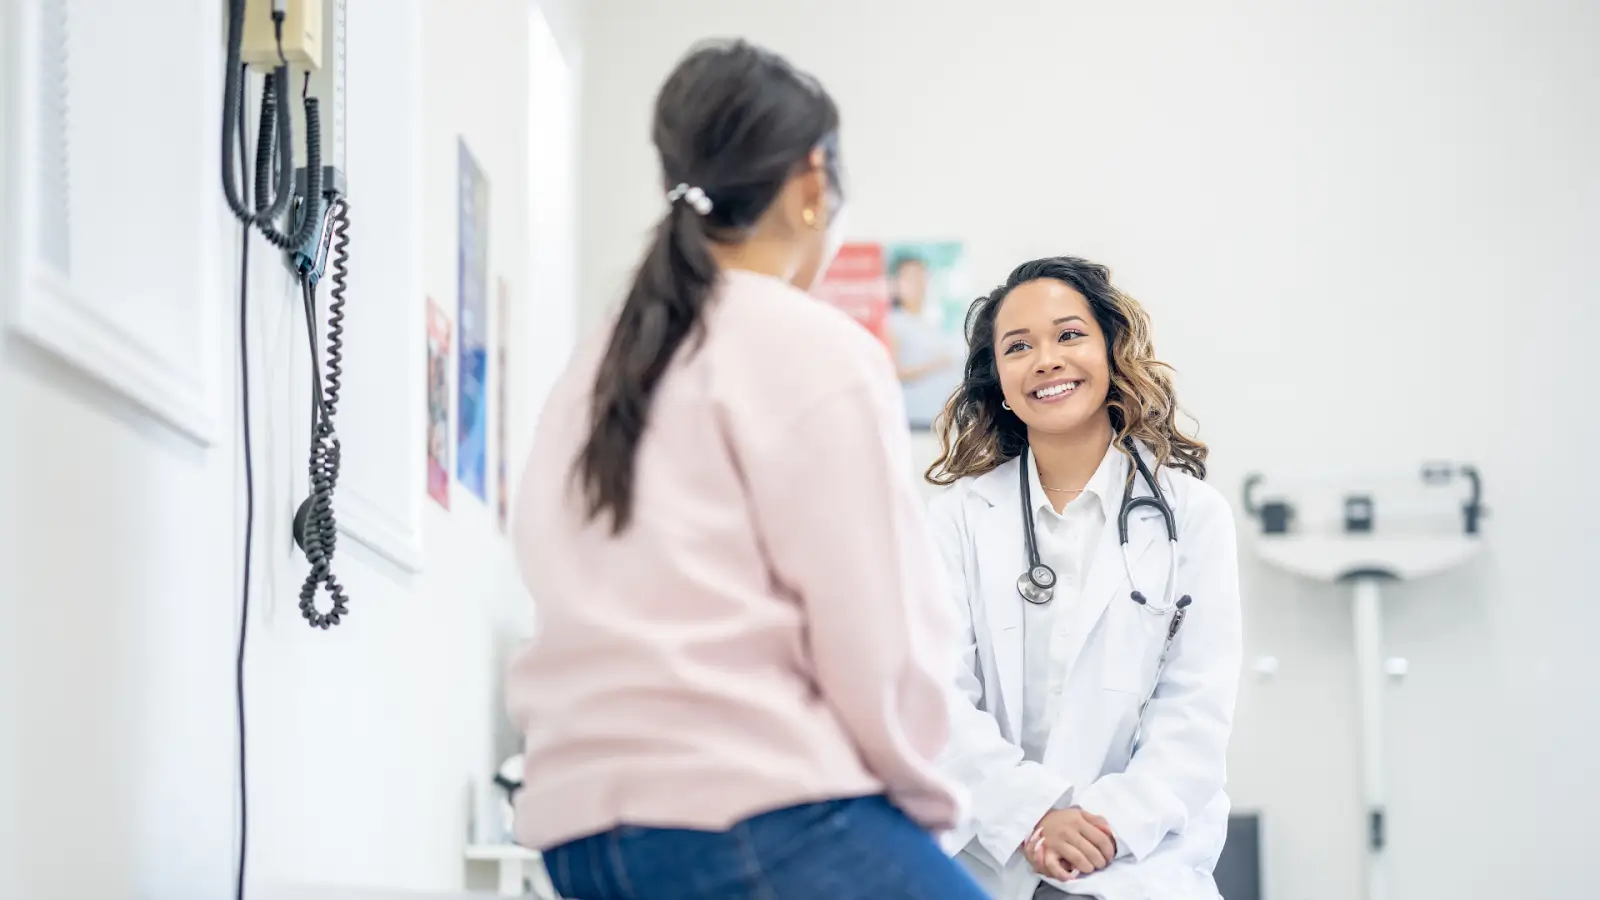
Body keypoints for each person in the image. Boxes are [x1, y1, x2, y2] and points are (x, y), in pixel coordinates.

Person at [503, 39, 987, 900]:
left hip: (581, 838)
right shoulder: (815, 350)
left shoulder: (597, 365)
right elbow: (879, 645)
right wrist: (927, 813)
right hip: (756, 815)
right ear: (812, 184)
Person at [923, 256, 1243, 900]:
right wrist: (1034, 817)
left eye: (1069, 335)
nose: (1046, 359)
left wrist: (1103, 827)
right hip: (997, 858)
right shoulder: (954, 519)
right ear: (999, 380)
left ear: (1112, 352)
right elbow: (936, 700)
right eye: (1019, 346)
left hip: (1142, 864)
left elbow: (1194, 713)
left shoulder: (1192, 517)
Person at [885, 252, 963, 429]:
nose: (918, 284)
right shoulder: (894, 322)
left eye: (921, 277)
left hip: (942, 418)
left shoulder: (932, 320)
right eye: (910, 278)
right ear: (896, 284)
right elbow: (896, 373)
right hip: (915, 418)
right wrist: (940, 362)